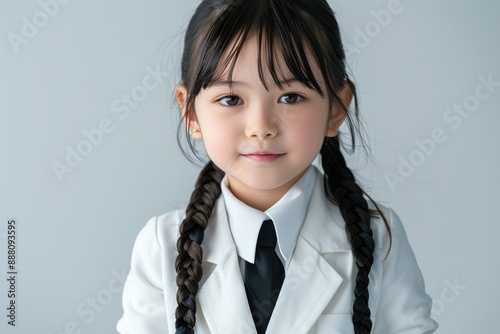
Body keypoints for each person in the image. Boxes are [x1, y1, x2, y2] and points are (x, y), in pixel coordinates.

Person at [116, 0, 438, 333]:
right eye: (231, 99)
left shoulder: (380, 236)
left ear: (336, 108)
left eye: (291, 97)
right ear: (192, 114)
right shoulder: (160, 247)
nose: (261, 126)